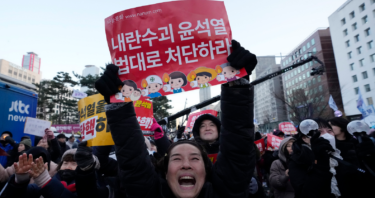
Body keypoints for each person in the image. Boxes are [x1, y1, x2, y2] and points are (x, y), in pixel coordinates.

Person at [95, 39, 258, 197]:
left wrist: (237, 84)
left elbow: (237, 150)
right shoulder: (148, 193)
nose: (186, 165)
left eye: (195, 158)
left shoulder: (225, 192)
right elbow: (132, 157)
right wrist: (118, 101)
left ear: (206, 170)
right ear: (165, 172)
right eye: (176, 158)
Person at [288, 119, 335, 198]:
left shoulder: (341, 153)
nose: (326, 135)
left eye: (329, 130)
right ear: (304, 138)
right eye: (319, 132)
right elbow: (305, 193)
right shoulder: (298, 161)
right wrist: (319, 161)